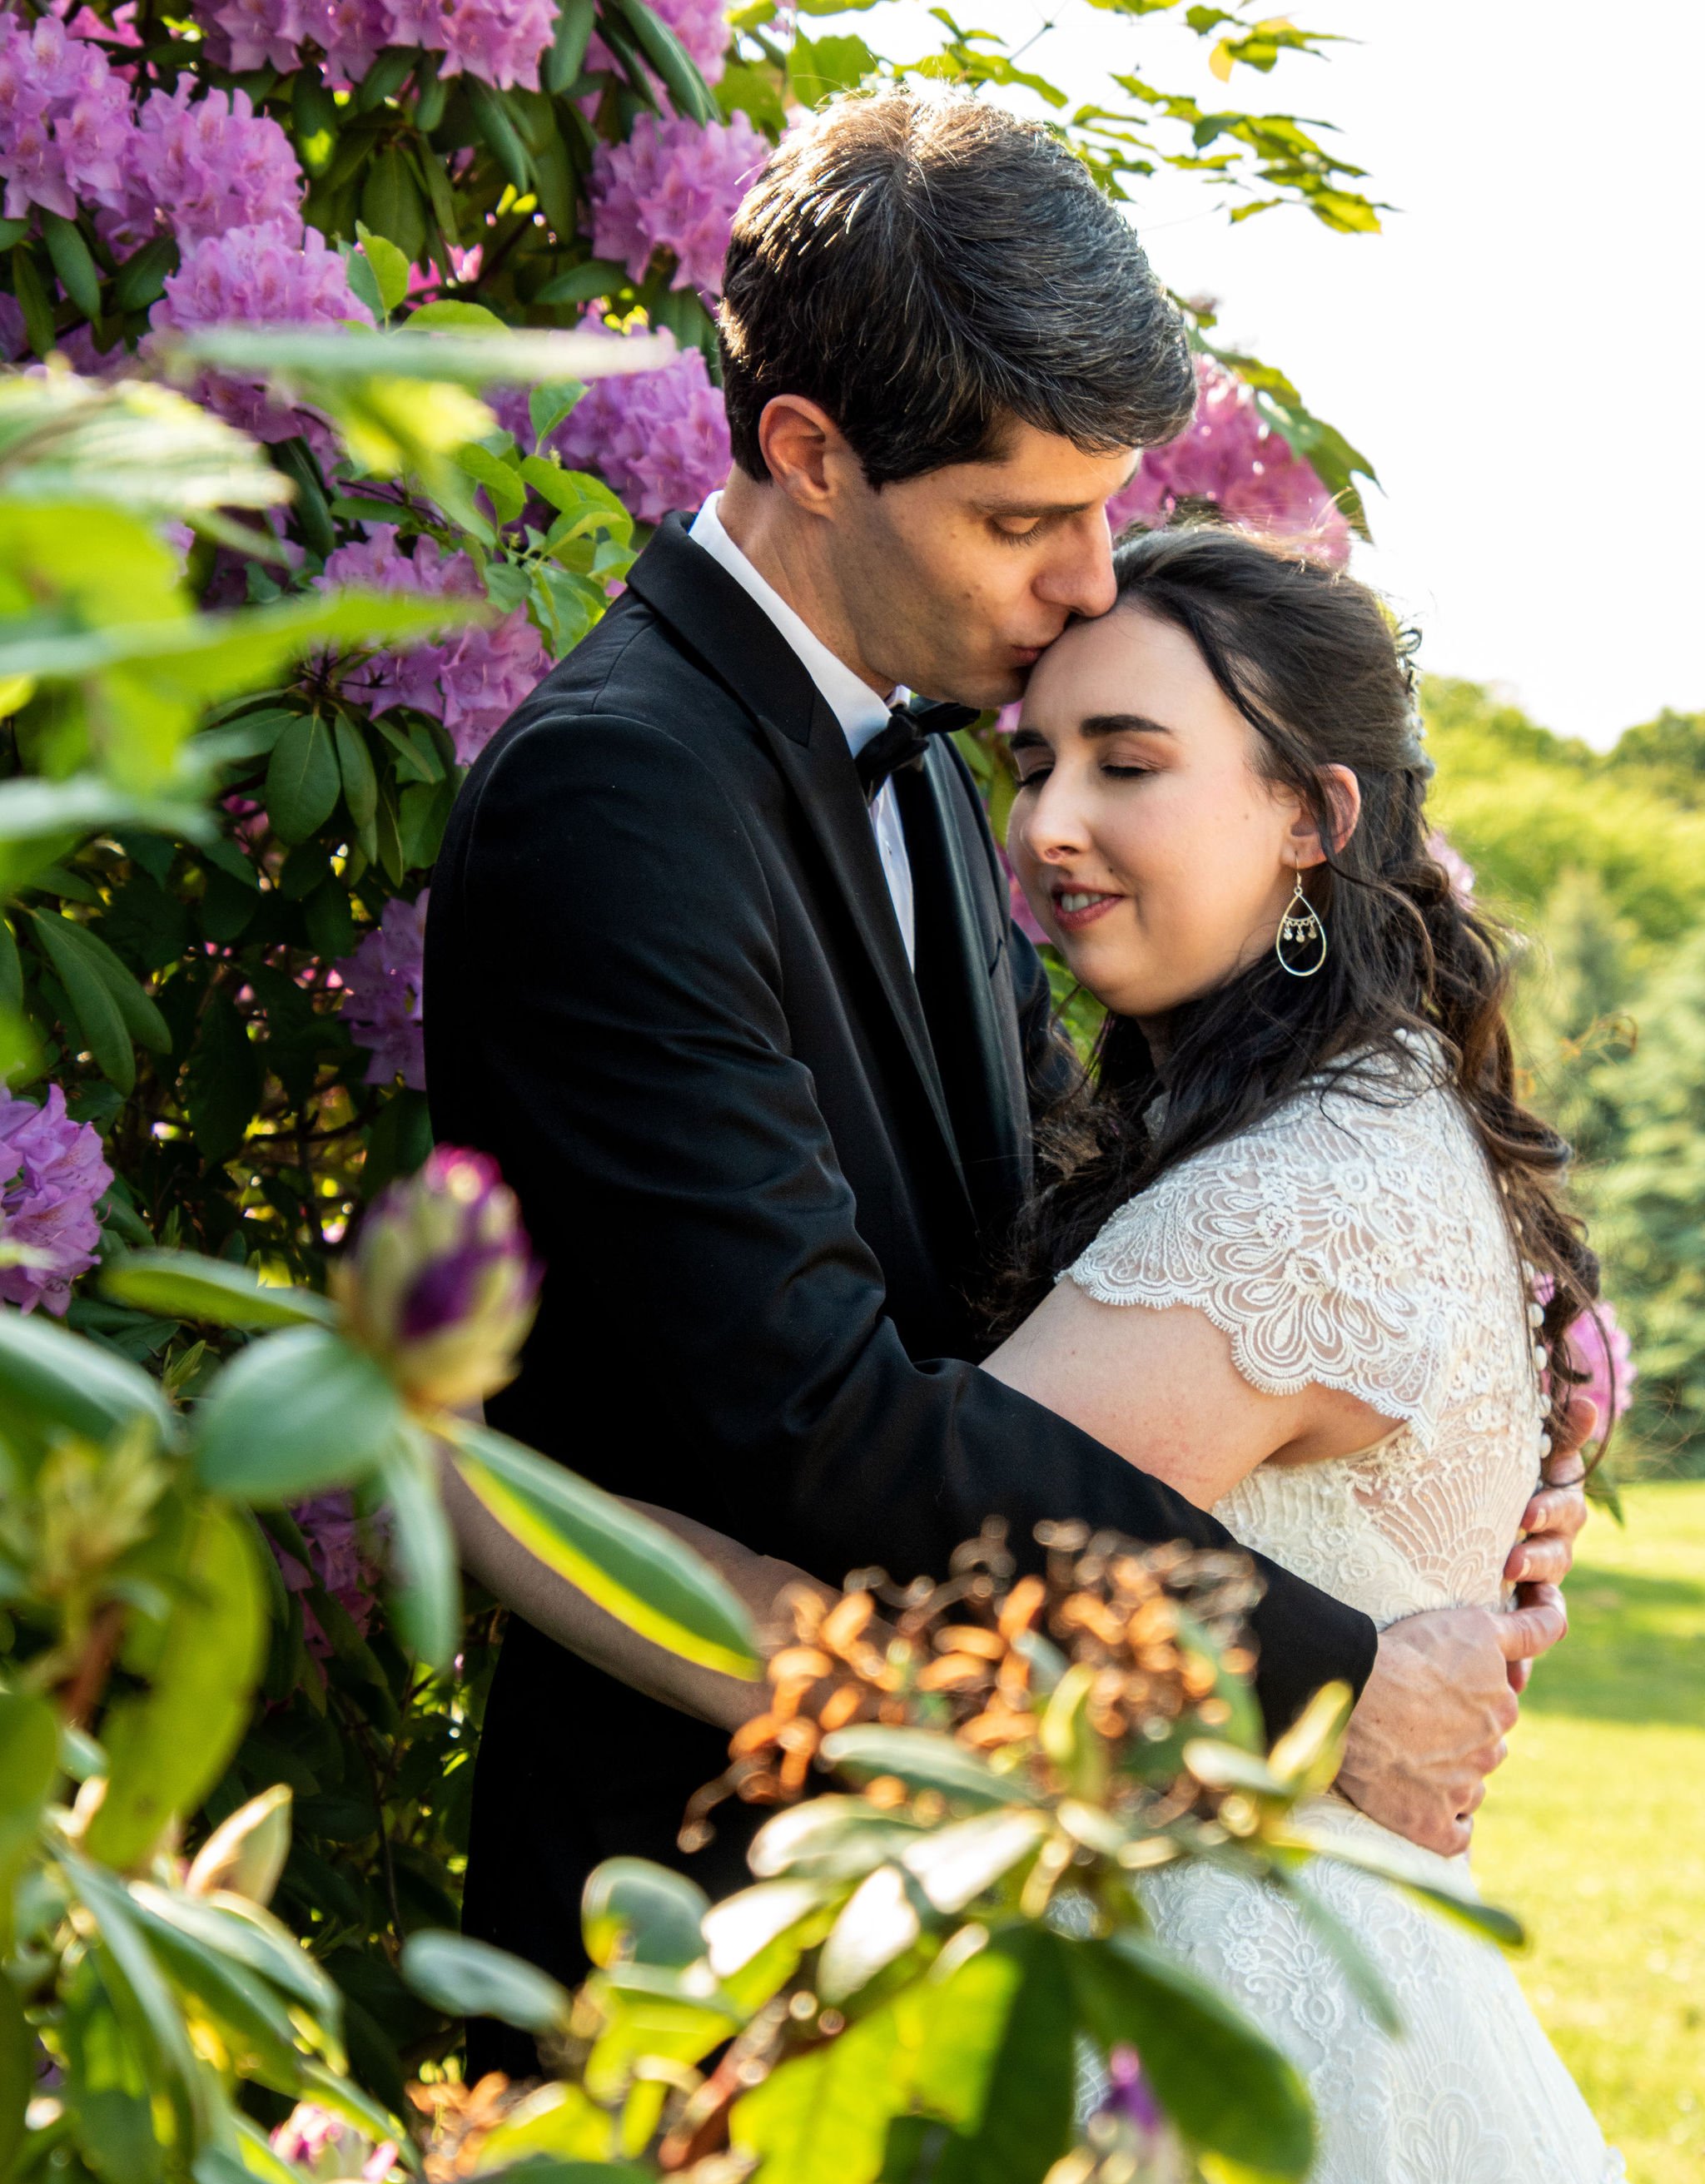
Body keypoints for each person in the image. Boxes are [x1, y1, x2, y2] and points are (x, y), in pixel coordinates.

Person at [424, 90, 1583, 2072]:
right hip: (705, 1949)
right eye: (1023, 520)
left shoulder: (935, 769)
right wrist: (1331, 1670)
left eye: (1102, 508)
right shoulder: (621, 799)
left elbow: (1035, 1243)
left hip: (948, 1920)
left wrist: (1435, 1425)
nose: (1080, 583)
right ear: (807, 449)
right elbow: (824, 1426)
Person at [982, 521, 1705, 2184]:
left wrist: (513, 1516)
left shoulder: (1281, 1207)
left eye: (1128, 761)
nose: (1051, 821)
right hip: (1357, 2020)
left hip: (1242, 2078)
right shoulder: (1386, 1121)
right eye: (1033, 762)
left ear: (1312, 814)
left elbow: (921, 1563)